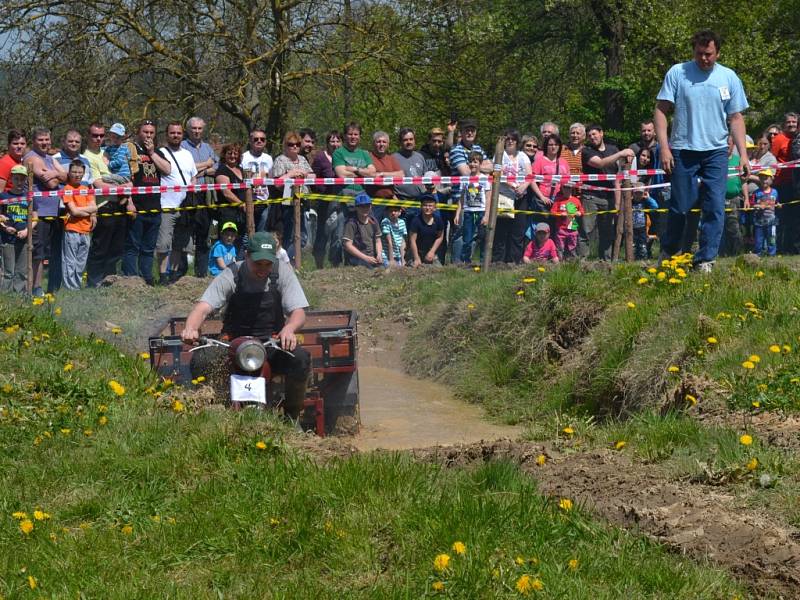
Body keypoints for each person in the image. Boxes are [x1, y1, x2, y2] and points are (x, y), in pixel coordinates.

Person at [181, 231, 311, 420]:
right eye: (258, 263)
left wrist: (289, 329)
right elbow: (202, 308)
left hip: (271, 342)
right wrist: (191, 328)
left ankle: (292, 416)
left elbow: (298, 312)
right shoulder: (231, 274)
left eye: (268, 264)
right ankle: (212, 412)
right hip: (232, 343)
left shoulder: (282, 271)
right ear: (247, 256)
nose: (263, 269)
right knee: (201, 361)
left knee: (300, 359)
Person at [655, 29, 750, 271]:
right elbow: (660, 110)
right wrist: (664, 148)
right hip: (683, 148)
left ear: (717, 52)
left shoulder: (729, 77)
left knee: (715, 205)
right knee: (680, 205)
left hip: (717, 150)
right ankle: (670, 250)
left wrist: (744, 156)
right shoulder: (678, 73)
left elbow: (736, 118)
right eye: (699, 54)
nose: (703, 58)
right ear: (693, 51)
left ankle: (705, 259)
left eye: (708, 54)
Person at [84, 122, 134, 288]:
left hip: (119, 204)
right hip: (103, 205)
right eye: (94, 135)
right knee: (100, 248)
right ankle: (93, 283)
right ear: (88, 136)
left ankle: (109, 282)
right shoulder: (87, 157)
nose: (98, 139)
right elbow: (99, 186)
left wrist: (128, 192)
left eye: (101, 135)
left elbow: (126, 170)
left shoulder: (108, 150)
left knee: (116, 248)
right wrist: (123, 188)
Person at [123, 119, 171, 285]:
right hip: (136, 206)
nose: (148, 135)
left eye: (151, 132)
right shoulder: (130, 150)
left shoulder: (157, 152)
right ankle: (131, 280)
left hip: (154, 207)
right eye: (145, 132)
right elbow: (124, 176)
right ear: (138, 132)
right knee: (132, 246)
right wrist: (129, 201)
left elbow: (167, 169)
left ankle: (147, 279)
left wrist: (151, 153)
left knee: (149, 248)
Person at [579, 125, 633, 259]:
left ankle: (606, 260)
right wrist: (621, 153)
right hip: (590, 196)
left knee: (607, 232)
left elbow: (618, 177)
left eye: (594, 134)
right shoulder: (586, 151)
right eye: (590, 135)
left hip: (609, 197)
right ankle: (582, 261)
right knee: (586, 230)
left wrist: (618, 201)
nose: (592, 137)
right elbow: (600, 163)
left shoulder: (612, 149)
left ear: (601, 133)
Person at [24, 127, 67, 296]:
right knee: (38, 254)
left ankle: (49, 288)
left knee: (50, 253)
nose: (45, 143)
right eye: (41, 140)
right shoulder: (32, 158)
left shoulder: (49, 158)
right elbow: (52, 184)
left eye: (47, 139)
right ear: (33, 141)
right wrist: (59, 175)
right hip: (38, 213)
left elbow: (66, 176)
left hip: (54, 212)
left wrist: (55, 174)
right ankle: (35, 288)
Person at [157, 121, 198, 283]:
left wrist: (192, 188)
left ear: (183, 135)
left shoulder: (188, 154)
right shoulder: (160, 153)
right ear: (167, 135)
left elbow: (193, 176)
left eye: (179, 133)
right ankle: (162, 275)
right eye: (172, 133)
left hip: (186, 206)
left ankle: (173, 274)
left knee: (179, 244)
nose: (176, 135)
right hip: (166, 205)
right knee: (163, 243)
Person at [181, 116, 218, 277]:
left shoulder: (208, 147)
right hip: (188, 194)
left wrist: (201, 170)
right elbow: (184, 167)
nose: (196, 131)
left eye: (199, 128)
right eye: (193, 128)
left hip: (206, 195)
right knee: (185, 233)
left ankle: (201, 273)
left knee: (204, 233)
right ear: (188, 130)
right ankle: (180, 272)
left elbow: (217, 166)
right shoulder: (182, 146)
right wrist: (206, 165)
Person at [268, 131, 313, 259]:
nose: (294, 147)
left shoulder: (303, 159)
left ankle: (291, 259)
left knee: (303, 236)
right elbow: (277, 183)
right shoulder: (280, 160)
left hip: (303, 200)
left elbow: (313, 175)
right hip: (286, 203)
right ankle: (285, 261)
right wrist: (291, 174)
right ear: (285, 145)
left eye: (297, 144)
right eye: (291, 144)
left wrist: (304, 174)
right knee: (287, 234)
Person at [492, 130, 531, 263]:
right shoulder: (499, 155)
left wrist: (524, 186)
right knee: (502, 231)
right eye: (507, 139)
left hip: (521, 197)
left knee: (518, 231)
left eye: (513, 139)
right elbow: (497, 174)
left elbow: (530, 175)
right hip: (503, 196)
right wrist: (512, 185)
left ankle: (514, 261)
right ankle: (498, 261)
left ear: (517, 141)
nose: (510, 141)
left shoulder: (523, 156)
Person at [61, 160, 97, 290]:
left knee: (81, 261)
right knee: (70, 261)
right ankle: (70, 287)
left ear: (84, 174)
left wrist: (83, 211)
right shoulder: (67, 189)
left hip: (86, 229)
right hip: (72, 229)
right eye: (74, 172)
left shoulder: (86, 189)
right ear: (69, 173)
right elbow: (74, 211)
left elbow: (94, 208)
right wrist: (88, 210)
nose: (77, 175)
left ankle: (77, 285)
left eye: (80, 172)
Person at [311, 130, 343, 268]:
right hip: (324, 200)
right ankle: (319, 264)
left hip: (341, 198)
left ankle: (335, 263)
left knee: (338, 231)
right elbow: (313, 179)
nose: (335, 144)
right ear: (327, 143)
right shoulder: (320, 158)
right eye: (332, 141)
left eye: (337, 141)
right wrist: (320, 190)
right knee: (323, 232)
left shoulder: (343, 156)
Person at [0, 165, 33, 292]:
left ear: (26, 180)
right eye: (16, 179)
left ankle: (18, 295)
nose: (19, 182)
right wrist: (5, 227)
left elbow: (34, 217)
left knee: (21, 271)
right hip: (7, 239)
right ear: (11, 179)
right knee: (8, 270)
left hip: (23, 239)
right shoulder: (3, 196)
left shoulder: (29, 196)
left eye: (22, 179)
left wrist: (27, 231)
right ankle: (5, 296)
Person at [453, 151, 490, 264]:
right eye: (470, 162)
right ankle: (466, 261)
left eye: (475, 162)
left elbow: (488, 197)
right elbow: (462, 197)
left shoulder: (484, 178)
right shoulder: (465, 179)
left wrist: (487, 215)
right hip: (468, 212)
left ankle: (484, 261)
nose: (473, 164)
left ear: (480, 164)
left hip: (481, 211)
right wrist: (458, 213)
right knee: (467, 239)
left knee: (483, 237)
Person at [772, 112, 799, 253]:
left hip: (794, 184)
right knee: (783, 218)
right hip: (781, 183)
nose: (791, 125)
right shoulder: (778, 139)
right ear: (784, 124)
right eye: (789, 122)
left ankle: (792, 248)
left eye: (794, 122)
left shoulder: (797, 138)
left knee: (794, 218)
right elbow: (772, 160)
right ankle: (780, 248)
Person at [215, 142, 247, 254]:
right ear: (224, 155)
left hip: (241, 213)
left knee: (241, 241)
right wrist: (241, 204)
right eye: (230, 153)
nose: (233, 156)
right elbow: (226, 192)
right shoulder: (222, 170)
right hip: (227, 212)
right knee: (227, 242)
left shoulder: (241, 170)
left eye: (235, 153)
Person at [241, 128, 273, 230]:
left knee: (261, 234)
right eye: (256, 139)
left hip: (264, 202)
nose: (259, 141)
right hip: (247, 201)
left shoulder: (268, 158)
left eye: (262, 139)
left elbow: (271, 180)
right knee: (247, 234)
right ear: (250, 141)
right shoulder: (243, 157)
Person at [332, 121, 376, 197]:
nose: (353, 137)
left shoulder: (364, 153)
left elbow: (372, 173)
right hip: (344, 195)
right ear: (345, 136)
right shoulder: (338, 153)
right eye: (350, 134)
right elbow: (342, 175)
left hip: (363, 194)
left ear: (359, 136)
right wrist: (364, 173)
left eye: (356, 134)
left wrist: (355, 169)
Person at [342, 192, 382, 267]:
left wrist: (379, 254)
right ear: (356, 207)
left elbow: (378, 240)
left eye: (367, 206)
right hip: (357, 260)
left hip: (373, 259)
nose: (364, 209)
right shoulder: (351, 223)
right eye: (361, 206)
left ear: (371, 206)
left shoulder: (374, 221)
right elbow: (347, 245)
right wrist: (366, 258)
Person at [368, 131, 404, 214]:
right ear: (374, 143)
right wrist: (391, 178)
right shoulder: (368, 157)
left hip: (390, 201)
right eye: (378, 141)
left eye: (384, 142)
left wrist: (382, 174)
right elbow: (373, 178)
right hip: (373, 202)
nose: (381, 144)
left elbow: (401, 175)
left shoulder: (391, 158)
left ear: (388, 144)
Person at [392, 128, 427, 202]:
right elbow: (387, 183)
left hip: (420, 201)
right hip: (401, 201)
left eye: (411, 139)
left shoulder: (420, 157)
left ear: (415, 141)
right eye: (405, 140)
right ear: (400, 142)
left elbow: (425, 178)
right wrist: (396, 201)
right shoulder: (393, 158)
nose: (409, 142)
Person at [550, 181, 583, 258]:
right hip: (561, 228)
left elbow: (582, 211)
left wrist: (579, 213)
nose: (567, 189)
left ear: (572, 188)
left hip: (572, 228)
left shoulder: (576, 200)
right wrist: (560, 214)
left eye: (568, 187)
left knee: (573, 246)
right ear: (562, 188)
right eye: (565, 187)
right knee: (560, 247)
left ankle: (572, 262)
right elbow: (552, 212)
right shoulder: (558, 200)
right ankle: (560, 262)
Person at [409, 194, 444, 267]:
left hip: (431, 251)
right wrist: (416, 257)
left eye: (430, 206)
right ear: (421, 207)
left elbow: (440, 237)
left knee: (438, 270)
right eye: (425, 205)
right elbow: (412, 240)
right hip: (417, 251)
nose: (427, 208)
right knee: (414, 267)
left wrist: (432, 252)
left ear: (434, 208)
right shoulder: (415, 221)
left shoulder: (438, 220)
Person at [752, 168, 778, 256]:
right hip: (759, 221)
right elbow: (752, 205)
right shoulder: (756, 193)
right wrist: (759, 206)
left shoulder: (775, 192)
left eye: (766, 178)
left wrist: (779, 205)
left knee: (772, 238)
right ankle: (758, 254)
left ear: (771, 179)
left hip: (772, 221)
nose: (763, 180)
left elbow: (777, 202)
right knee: (758, 239)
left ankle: (772, 254)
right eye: (761, 178)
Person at [631, 183, 659, 260]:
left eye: (640, 193)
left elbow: (655, 207)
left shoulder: (645, 202)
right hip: (631, 228)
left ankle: (643, 259)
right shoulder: (630, 202)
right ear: (633, 193)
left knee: (642, 245)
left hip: (643, 228)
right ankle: (633, 259)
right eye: (636, 193)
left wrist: (648, 198)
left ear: (644, 193)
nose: (638, 195)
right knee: (633, 245)